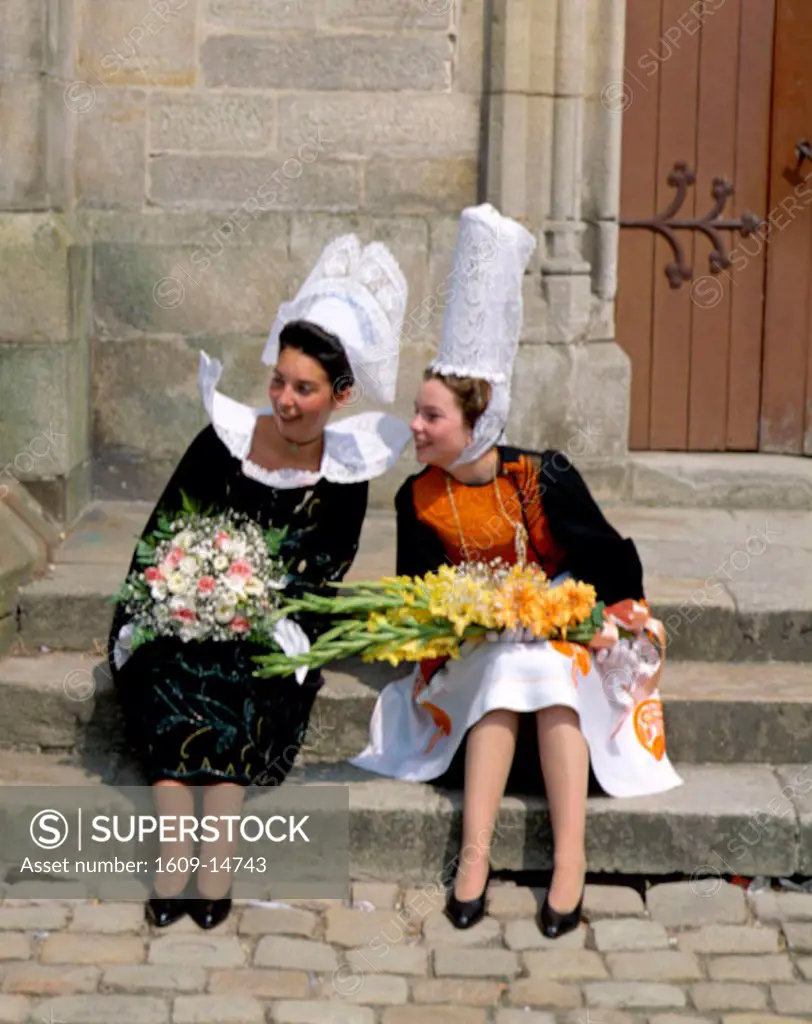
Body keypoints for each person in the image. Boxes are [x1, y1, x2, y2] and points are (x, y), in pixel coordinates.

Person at [350, 204, 683, 938]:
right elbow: (417, 599)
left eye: (432, 416)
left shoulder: (540, 477)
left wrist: (579, 614)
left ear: (478, 426)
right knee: (504, 670)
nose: (416, 426)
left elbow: (612, 561)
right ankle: (475, 858)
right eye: (416, 411)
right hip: (477, 646)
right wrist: (471, 613)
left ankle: (570, 861)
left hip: (562, 638)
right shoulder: (419, 498)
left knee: (546, 670)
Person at [108, 234, 410, 930]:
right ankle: (172, 847)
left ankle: (216, 856)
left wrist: (247, 607)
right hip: (183, 601)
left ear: (341, 395)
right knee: (170, 659)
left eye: (304, 389)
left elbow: (320, 574)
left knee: (243, 673)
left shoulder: (344, 474)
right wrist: (179, 594)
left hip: (276, 618)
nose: (284, 399)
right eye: (279, 380)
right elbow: (165, 529)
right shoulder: (225, 438)